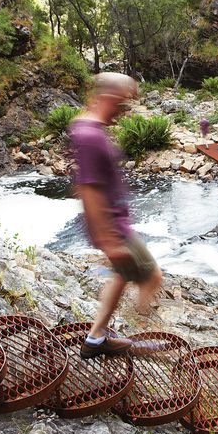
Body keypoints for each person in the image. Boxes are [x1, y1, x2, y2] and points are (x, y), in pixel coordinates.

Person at [68, 73, 164, 358]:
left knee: (121, 275)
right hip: (113, 226)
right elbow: (88, 190)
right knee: (153, 276)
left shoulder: (86, 127)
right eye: (123, 102)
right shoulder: (91, 136)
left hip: (114, 222)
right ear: (110, 97)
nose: (124, 110)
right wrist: (109, 239)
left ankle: (95, 339)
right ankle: (140, 333)